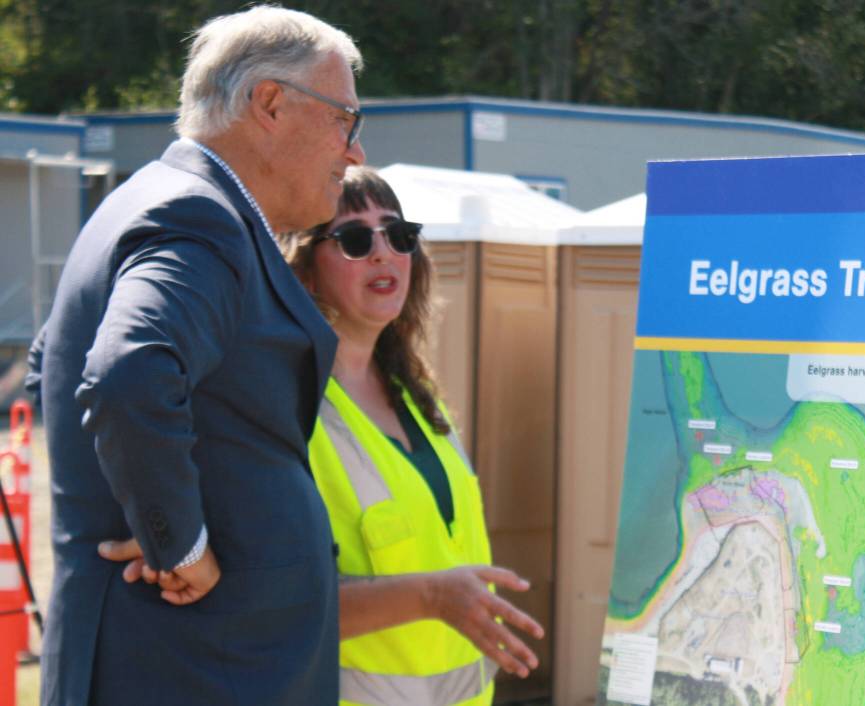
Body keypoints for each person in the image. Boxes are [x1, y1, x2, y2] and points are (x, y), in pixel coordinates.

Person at [25, 6, 365, 705]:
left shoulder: (156, 202)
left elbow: (47, 364)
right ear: (270, 103)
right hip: (194, 665)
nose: (354, 151)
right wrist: (175, 543)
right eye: (345, 121)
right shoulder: (197, 216)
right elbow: (126, 376)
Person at [276, 166, 544, 705]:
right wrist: (432, 597)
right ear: (304, 272)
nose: (383, 253)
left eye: (398, 236)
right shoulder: (286, 412)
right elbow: (278, 607)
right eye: (354, 239)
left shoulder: (418, 396)